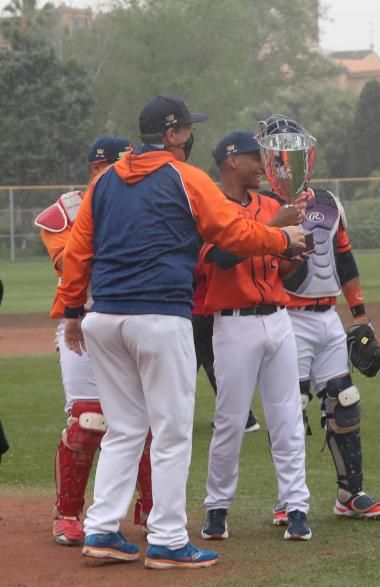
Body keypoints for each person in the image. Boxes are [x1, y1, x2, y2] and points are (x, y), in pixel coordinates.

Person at [58, 95, 305, 569]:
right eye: (186, 129)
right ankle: (168, 539)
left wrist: (72, 308)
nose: (191, 137)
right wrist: (281, 238)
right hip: (158, 316)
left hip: (104, 317)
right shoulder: (185, 177)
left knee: (125, 428)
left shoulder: (106, 180)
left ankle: (102, 529)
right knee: (170, 430)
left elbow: (79, 250)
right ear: (171, 135)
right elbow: (231, 232)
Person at [35, 136, 154, 546]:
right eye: (111, 168)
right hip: (82, 323)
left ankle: (154, 509)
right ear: (95, 170)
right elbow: (70, 263)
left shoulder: (148, 203)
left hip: (134, 317)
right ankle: (68, 513)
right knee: (88, 420)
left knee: (146, 422)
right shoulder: (65, 213)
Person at [198, 130, 312, 541]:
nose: (262, 167)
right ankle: (217, 508)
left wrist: (294, 254)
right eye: (253, 158)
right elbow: (222, 257)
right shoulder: (211, 206)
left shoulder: (269, 203)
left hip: (278, 317)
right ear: (231, 161)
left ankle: (296, 506)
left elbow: (287, 268)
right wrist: (273, 226)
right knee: (230, 421)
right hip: (234, 323)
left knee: (287, 417)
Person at [275, 140, 380, 521]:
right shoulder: (265, 206)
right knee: (292, 407)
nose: (290, 166)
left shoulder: (328, 201)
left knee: (345, 401)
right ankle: (287, 500)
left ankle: (349, 494)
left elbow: (343, 257)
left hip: (328, 317)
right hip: (288, 316)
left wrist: (359, 315)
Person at [192, 260, 259, 432]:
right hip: (207, 311)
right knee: (210, 366)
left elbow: (200, 269)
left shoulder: (208, 245)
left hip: (202, 310)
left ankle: (243, 418)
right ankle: (244, 418)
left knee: (189, 368)